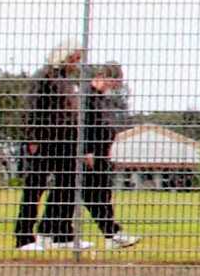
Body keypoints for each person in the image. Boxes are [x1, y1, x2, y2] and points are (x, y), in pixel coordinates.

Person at [12, 43, 81, 252]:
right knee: (35, 187)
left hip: (66, 141)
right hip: (45, 140)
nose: (76, 63)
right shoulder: (44, 77)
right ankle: (24, 236)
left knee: (68, 185)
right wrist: (33, 138)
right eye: (74, 58)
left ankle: (60, 232)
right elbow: (32, 108)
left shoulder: (66, 81)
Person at [76, 61, 140, 250]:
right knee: (92, 194)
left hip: (103, 154)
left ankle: (111, 234)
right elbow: (84, 125)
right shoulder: (86, 96)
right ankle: (112, 233)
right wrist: (86, 150)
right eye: (114, 81)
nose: (114, 87)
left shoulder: (101, 98)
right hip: (91, 154)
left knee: (102, 194)